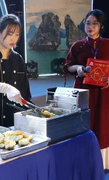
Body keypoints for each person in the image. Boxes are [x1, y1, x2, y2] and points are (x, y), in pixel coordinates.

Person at [63, 9, 109, 169]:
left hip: (104, 93)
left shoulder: (108, 44)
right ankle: (82, 162)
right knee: (83, 124)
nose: (90, 26)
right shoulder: (78, 46)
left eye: (95, 23)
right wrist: (79, 69)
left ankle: (102, 163)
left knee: (103, 125)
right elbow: (67, 66)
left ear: (101, 26)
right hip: (83, 92)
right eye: (88, 23)